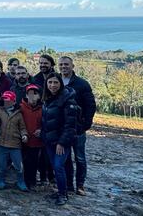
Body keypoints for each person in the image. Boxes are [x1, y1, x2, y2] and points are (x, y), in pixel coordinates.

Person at [58, 56, 96, 196]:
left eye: (66, 64)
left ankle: (80, 185)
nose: (63, 67)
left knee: (80, 158)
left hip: (78, 128)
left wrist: (86, 124)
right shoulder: (55, 82)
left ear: (73, 66)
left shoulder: (82, 84)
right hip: (62, 128)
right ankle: (68, 185)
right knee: (65, 158)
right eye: (61, 64)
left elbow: (90, 105)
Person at [41, 73, 79, 206]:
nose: (52, 85)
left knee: (58, 167)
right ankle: (61, 191)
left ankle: (63, 194)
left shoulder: (68, 100)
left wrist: (62, 143)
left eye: (55, 82)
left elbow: (70, 125)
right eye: (50, 82)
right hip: (49, 140)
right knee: (56, 166)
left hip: (61, 142)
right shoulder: (48, 99)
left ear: (60, 84)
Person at [0, 91, 29, 191]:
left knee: (18, 165)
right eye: (4, 100)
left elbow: (23, 127)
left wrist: (24, 135)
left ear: (14, 101)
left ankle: (21, 181)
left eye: (8, 100)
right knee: (1, 165)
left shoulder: (18, 114)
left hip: (15, 144)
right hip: (0, 142)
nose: (6, 102)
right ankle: (1, 181)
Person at [20, 84, 44, 190]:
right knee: (23, 162)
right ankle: (23, 181)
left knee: (34, 162)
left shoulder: (43, 108)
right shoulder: (21, 107)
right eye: (30, 94)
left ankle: (32, 181)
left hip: (36, 141)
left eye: (35, 94)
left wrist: (42, 130)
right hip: (23, 140)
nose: (32, 96)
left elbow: (47, 123)